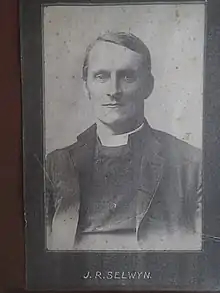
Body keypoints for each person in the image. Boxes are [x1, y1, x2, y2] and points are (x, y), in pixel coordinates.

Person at [45, 31, 202, 251]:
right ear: (86, 86)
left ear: (148, 86)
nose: (113, 91)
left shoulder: (192, 165)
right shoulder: (54, 165)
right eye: (101, 77)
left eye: (127, 77)